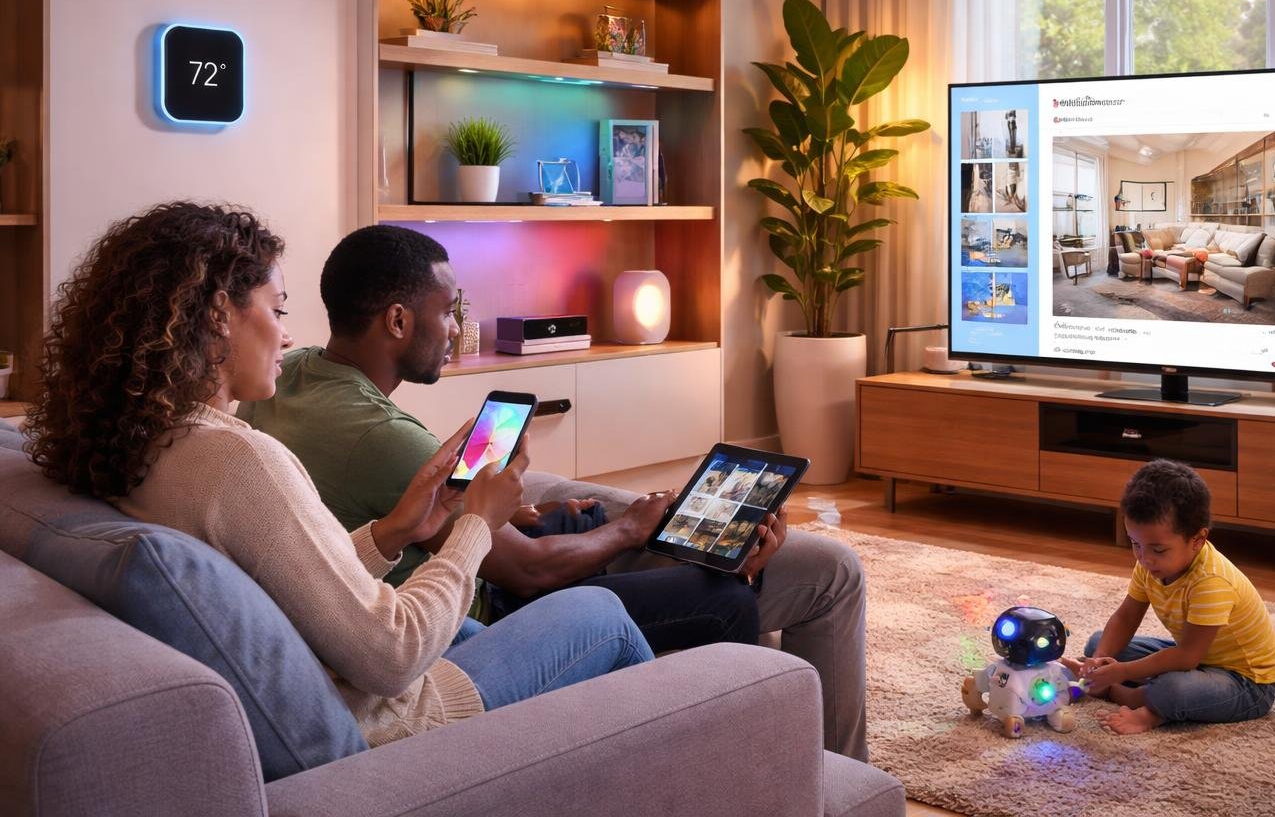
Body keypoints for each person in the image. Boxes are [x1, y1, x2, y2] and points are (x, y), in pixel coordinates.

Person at [25, 202, 652, 747]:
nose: (287, 330)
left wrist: (393, 533)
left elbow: (282, 584)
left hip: (341, 666)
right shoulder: (238, 463)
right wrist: (476, 525)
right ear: (219, 315)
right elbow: (392, 656)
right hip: (397, 717)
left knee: (482, 615)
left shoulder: (147, 443)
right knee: (598, 611)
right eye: (276, 307)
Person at [244, 224, 870, 760]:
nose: (457, 325)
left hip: (454, 566)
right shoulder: (380, 436)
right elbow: (527, 573)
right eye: (449, 309)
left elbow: (439, 512)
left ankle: (718, 555)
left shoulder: (292, 376)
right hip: (483, 609)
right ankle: (772, 751)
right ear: (398, 320)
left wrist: (523, 511)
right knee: (718, 590)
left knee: (579, 515)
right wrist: (631, 528)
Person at [1064, 459, 1275, 735]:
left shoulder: (1211, 581)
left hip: (1246, 683)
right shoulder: (1150, 563)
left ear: (1197, 540)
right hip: (1198, 656)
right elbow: (1126, 616)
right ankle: (1120, 684)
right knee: (1098, 642)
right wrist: (1100, 660)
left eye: (1158, 549)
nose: (1144, 558)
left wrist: (1121, 673)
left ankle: (1138, 704)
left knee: (1173, 688)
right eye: (1135, 544)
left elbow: (1187, 657)